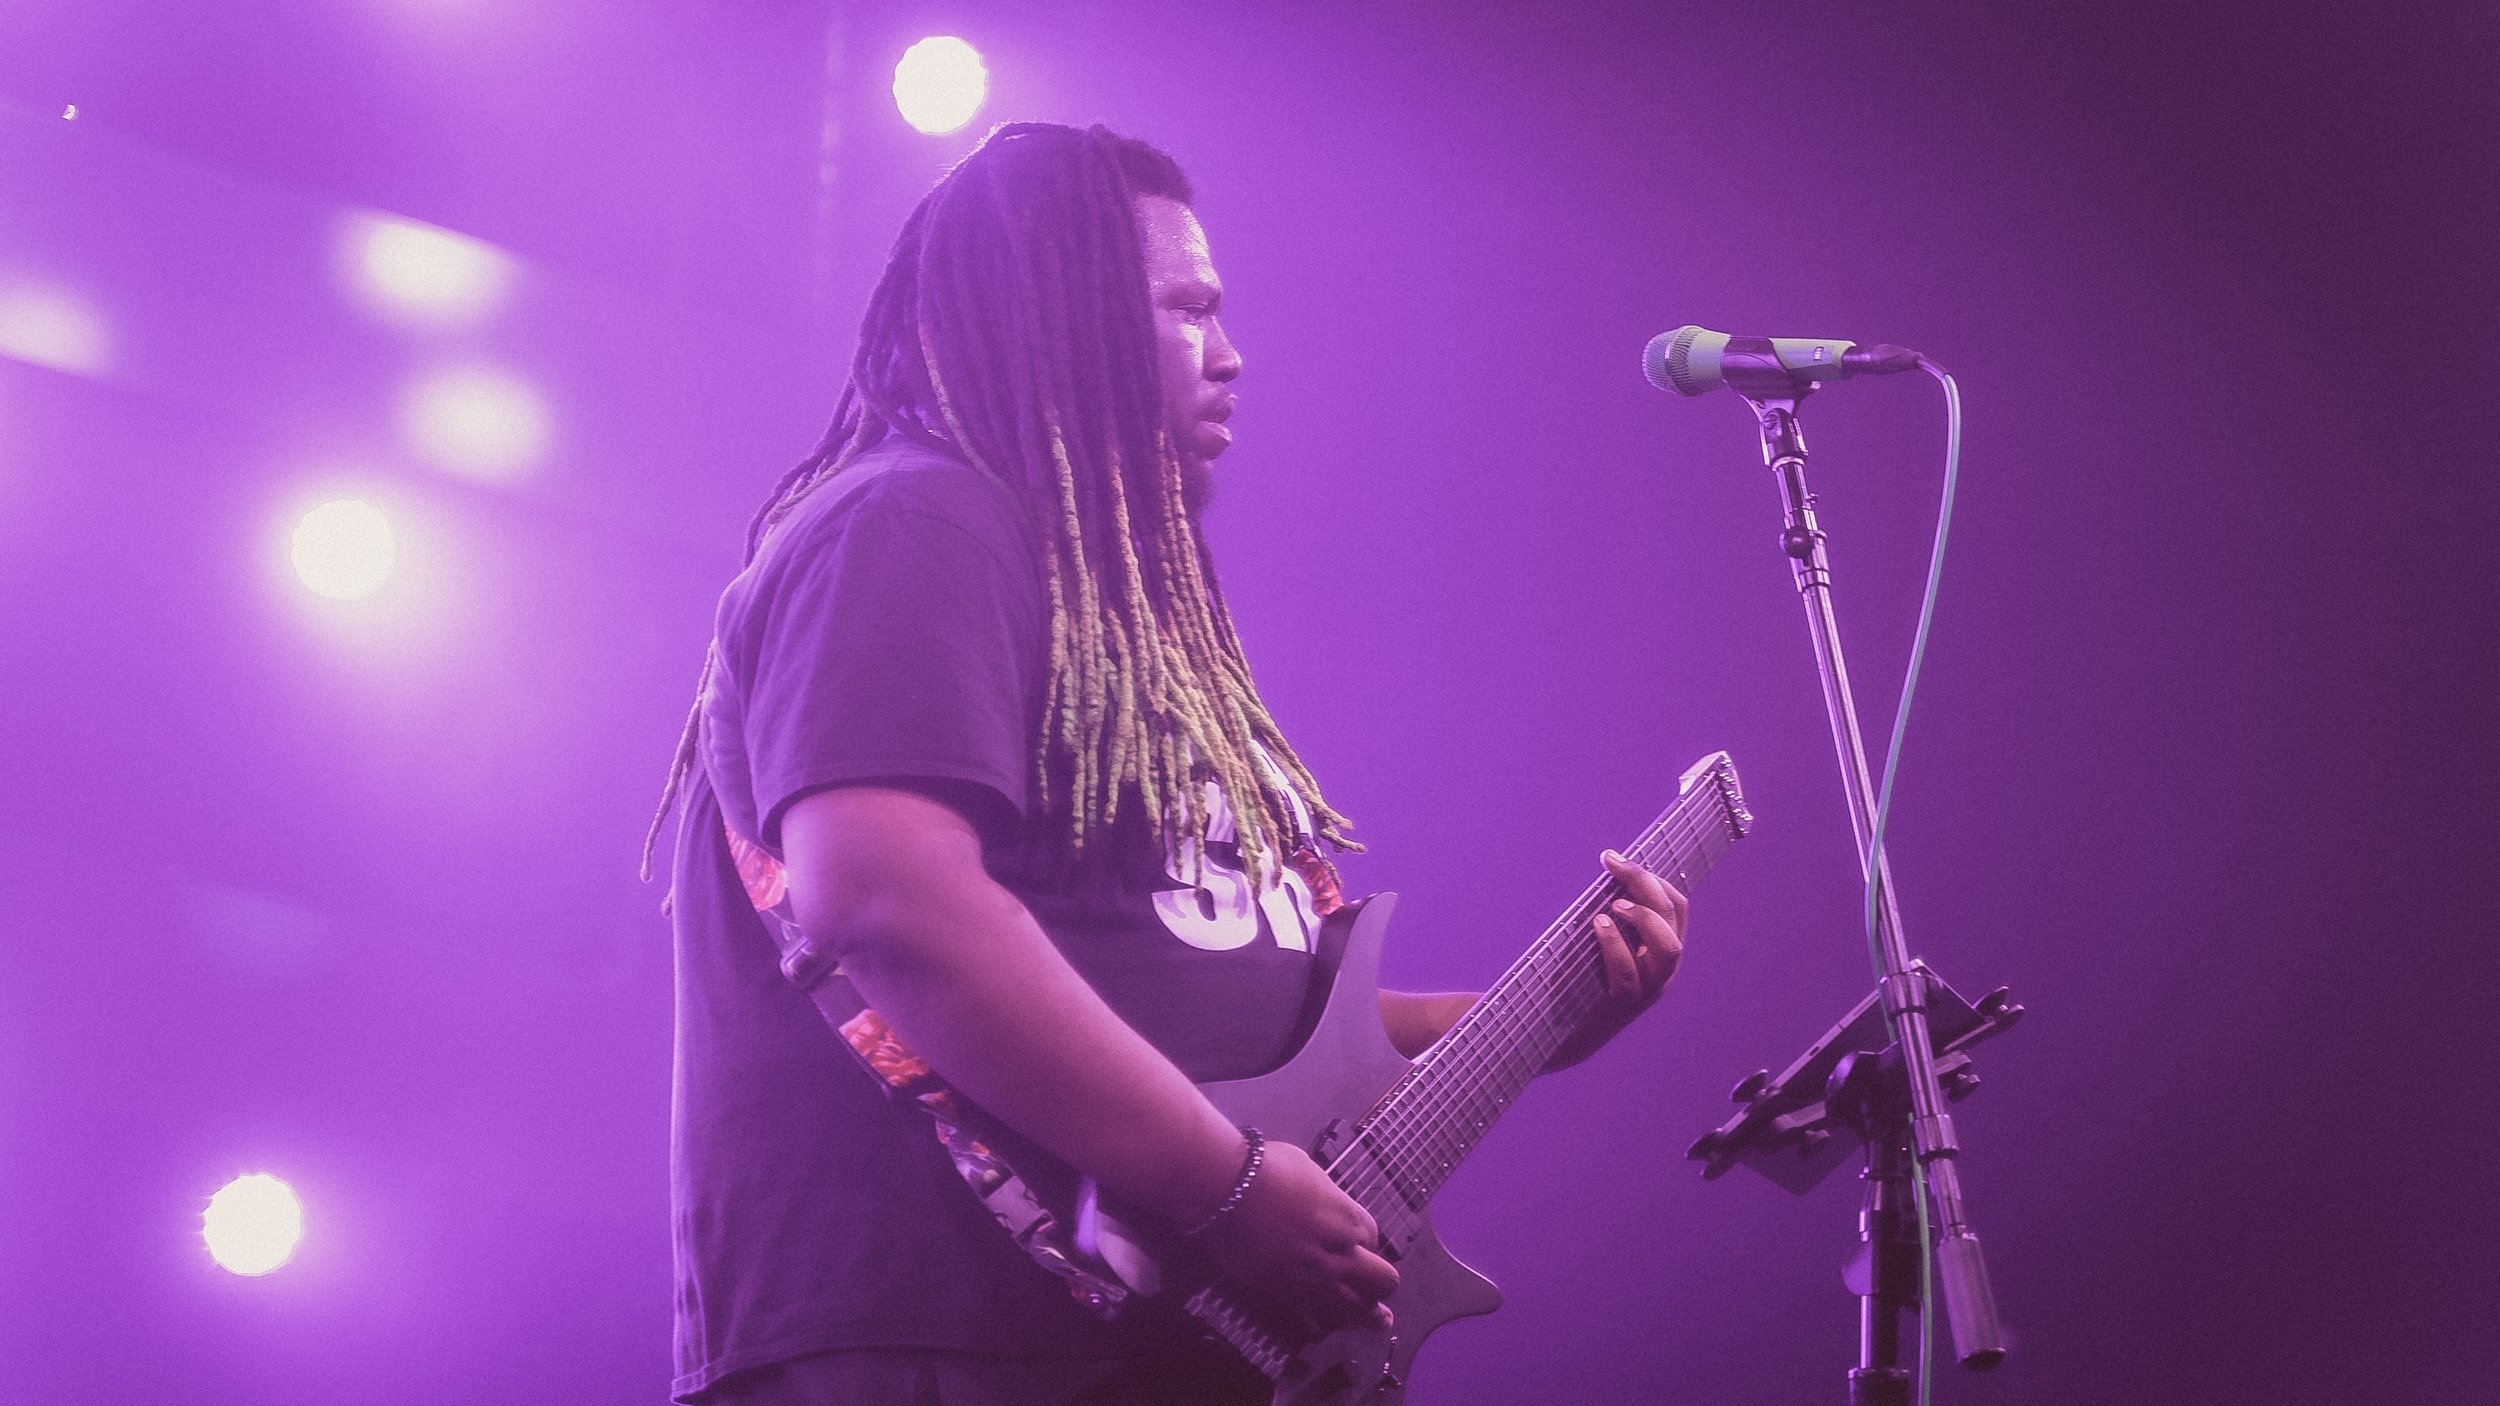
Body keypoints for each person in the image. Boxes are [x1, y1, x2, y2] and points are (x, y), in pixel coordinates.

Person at [649, 123, 1688, 1406]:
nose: (1232, 353)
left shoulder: (1113, 614)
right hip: (940, 1327)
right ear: (1062, 313)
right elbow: (886, 898)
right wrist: (1226, 1184)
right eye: (1189, 307)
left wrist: (1547, 1014)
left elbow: (1267, 1029)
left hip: (1127, 1343)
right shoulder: (916, 518)